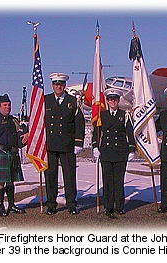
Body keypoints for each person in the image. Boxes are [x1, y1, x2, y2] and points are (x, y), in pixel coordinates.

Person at [44, 72, 85, 215]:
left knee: (69, 175)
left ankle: (71, 203)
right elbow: (39, 123)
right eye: (56, 84)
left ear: (65, 85)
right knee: (50, 176)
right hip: (50, 145)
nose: (58, 86)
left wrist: (78, 143)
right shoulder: (45, 100)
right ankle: (51, 204)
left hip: (67, 145)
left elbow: (79, 123)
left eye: (60, 84)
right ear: (52, 85)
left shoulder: (73, 101)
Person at [92, 88, 136, 218]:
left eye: (115, 99)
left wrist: (132, 149)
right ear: (107, 101)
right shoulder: (102, 115)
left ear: (118, 101)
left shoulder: (124, 115)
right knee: (107, 181)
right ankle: (108, 206)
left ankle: (119, 206)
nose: (113, 102)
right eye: (110, 99)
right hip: (106, 152)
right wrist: (95, 147)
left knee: (119, 181)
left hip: (121, 152)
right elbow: (97, 133)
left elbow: (129, 133)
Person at [0, 94, 29, 216]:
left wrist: (26, 135)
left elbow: (20, 135)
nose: (7, 107)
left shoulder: (14, 120)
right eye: (5, 105)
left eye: (9, 105)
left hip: (13, 154)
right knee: (0, 182)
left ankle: (11, 205)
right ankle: (1, 206)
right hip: (1, 153)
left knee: (11, 181)